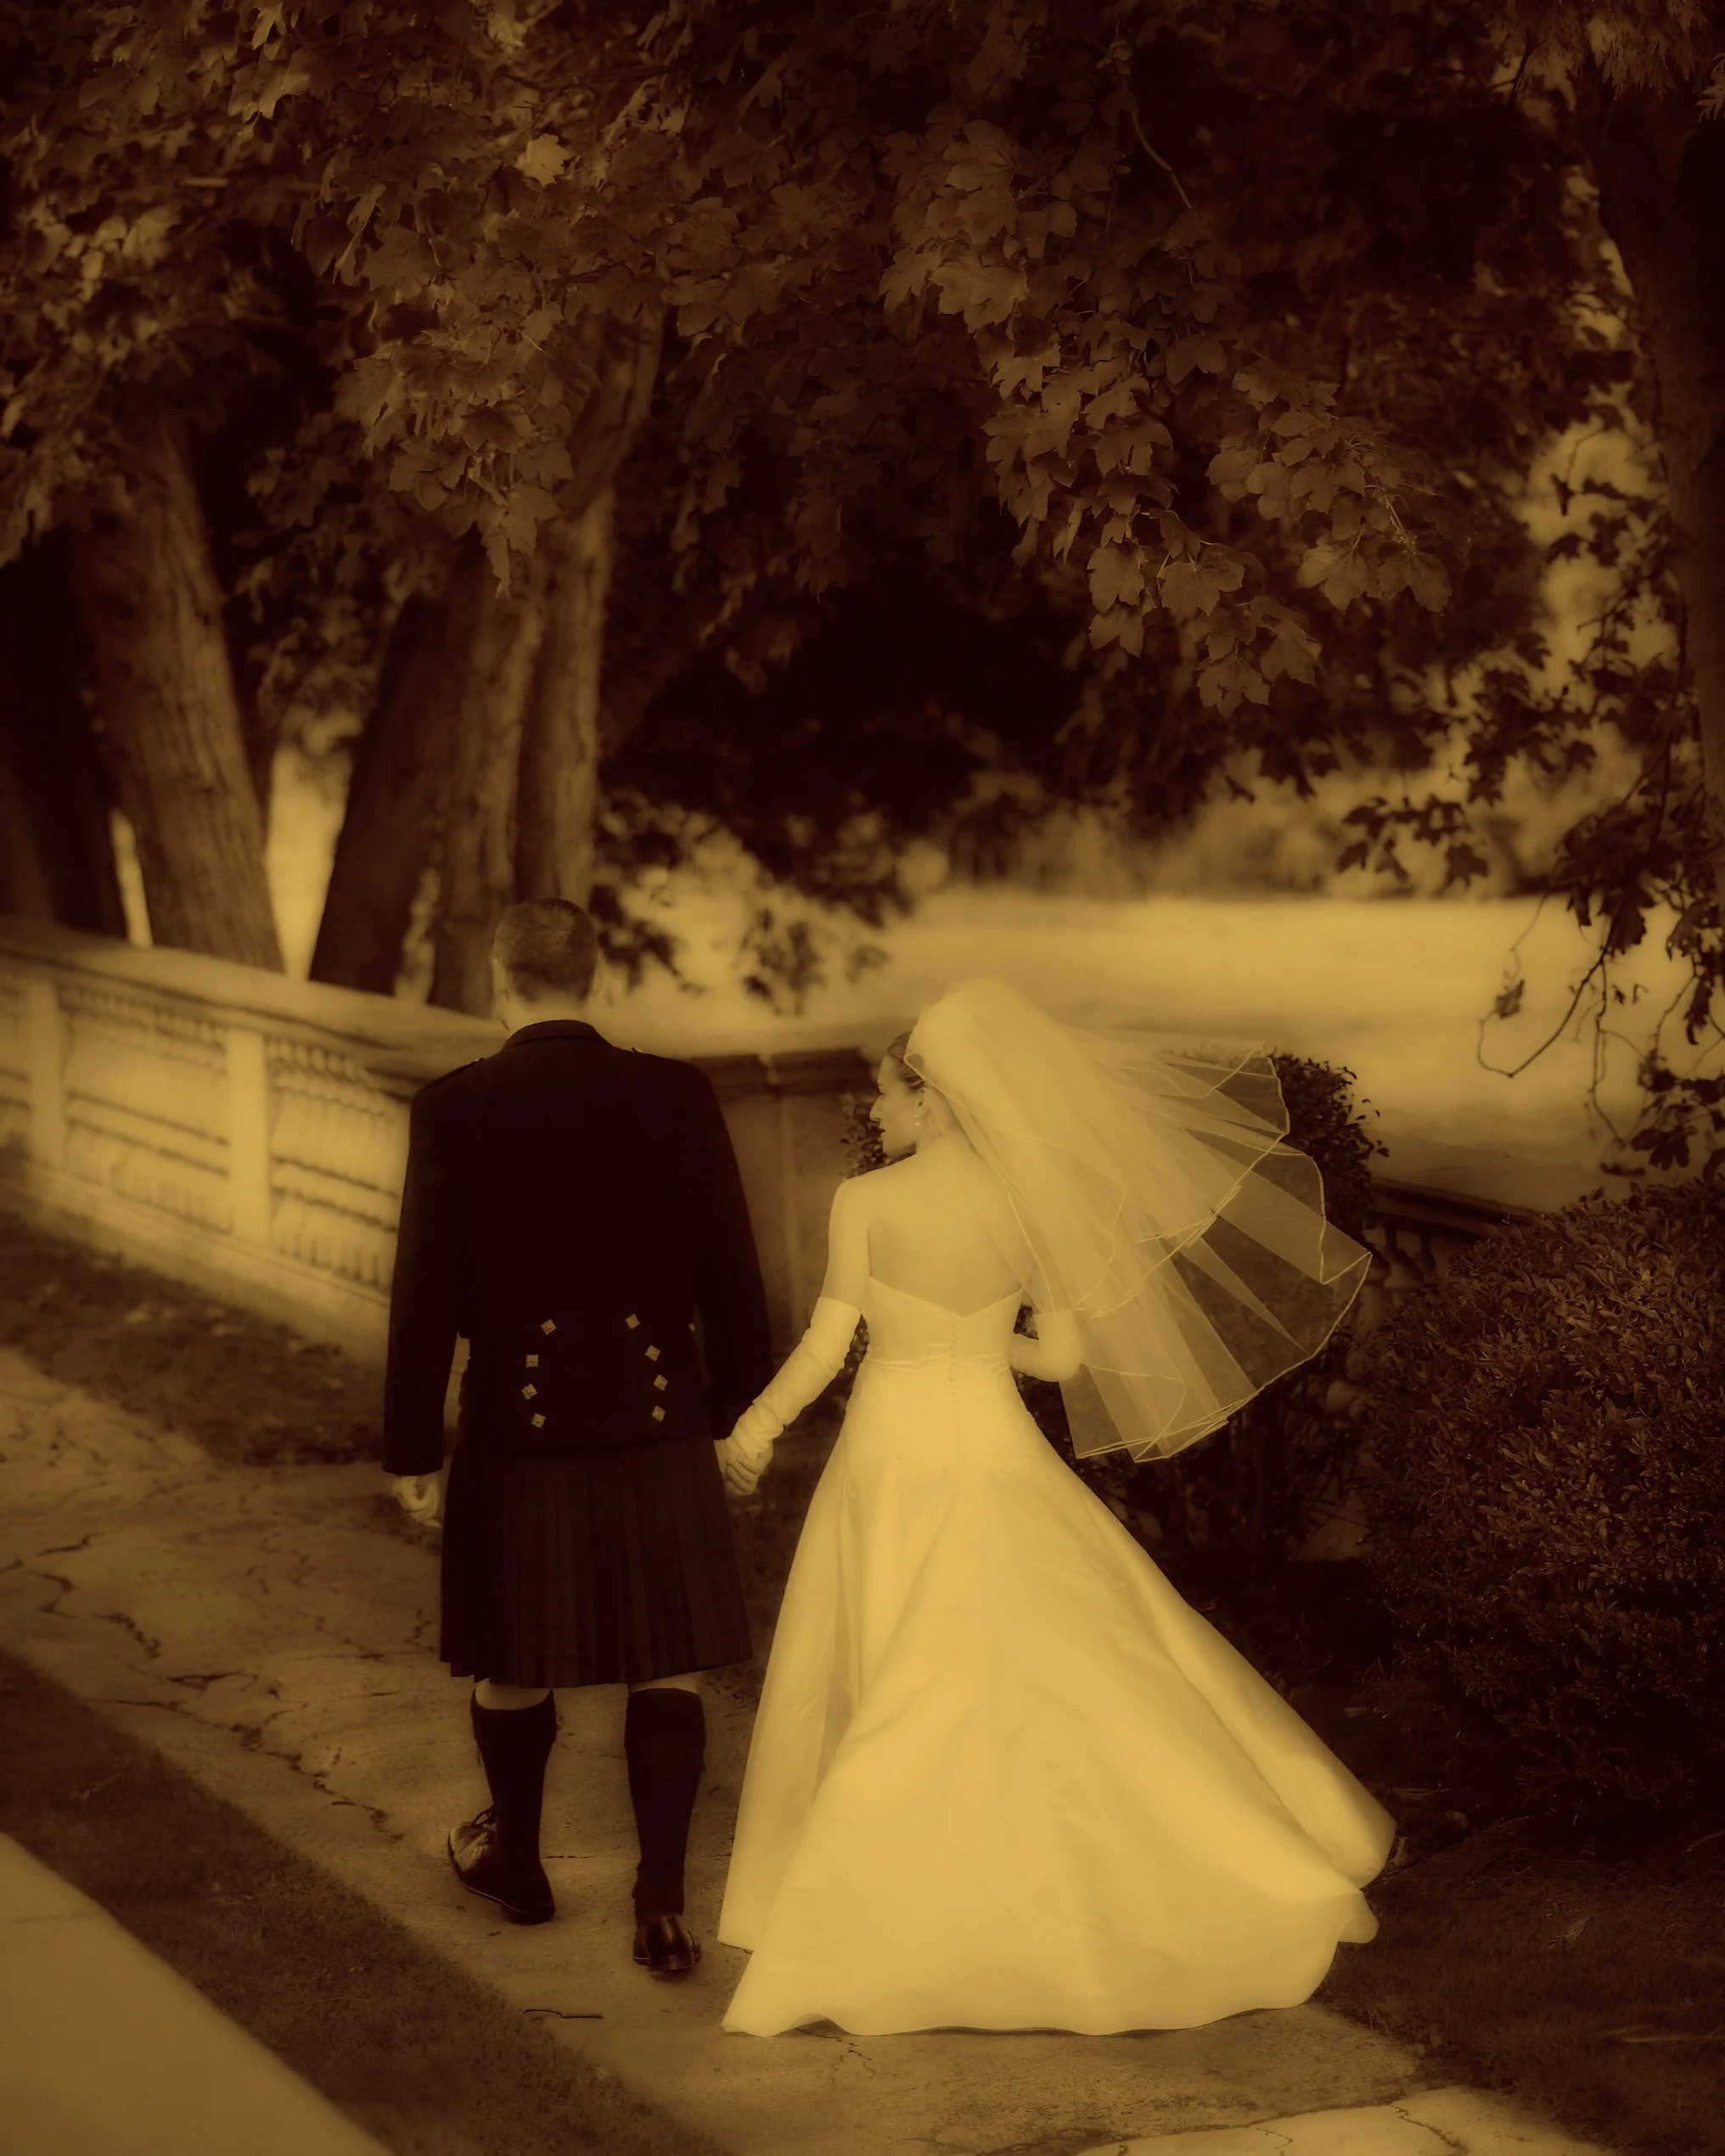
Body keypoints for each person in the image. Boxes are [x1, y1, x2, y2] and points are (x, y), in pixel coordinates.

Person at [711, 976, 1396, 2036]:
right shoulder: (1029, 1202)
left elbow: (825, 1345)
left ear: (934, 1097)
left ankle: (899, 1887)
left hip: (892, 1455)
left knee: (889, 1651)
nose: (877, 1111)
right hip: (993, 1442)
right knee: (1060, 1648)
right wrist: (982, 1342)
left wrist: (753, 1429)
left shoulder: (866, 1201)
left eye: (888, 1092)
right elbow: (1066, 1356)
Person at [384, 898, 773, 1978]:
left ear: (501, 978)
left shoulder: (456, 1105)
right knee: (666, 1665)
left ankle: (519, 1868)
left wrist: (413, 1444)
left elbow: (423, 1289)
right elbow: (732, 1272)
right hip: (658, 1419)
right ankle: (661, 1900)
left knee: (512, 1661)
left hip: (520, 1428)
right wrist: (735, 1412)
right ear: (594, 976)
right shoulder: (675, 1092)